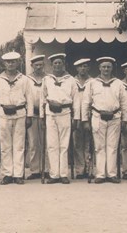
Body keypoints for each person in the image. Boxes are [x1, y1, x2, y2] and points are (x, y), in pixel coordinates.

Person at [82, 57, 127, 184]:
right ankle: (101, 174)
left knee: (112, 146)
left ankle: (112, 174)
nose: (106, 69)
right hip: (98, 117)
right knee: (99, 146)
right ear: (99, 68)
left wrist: (125, 119)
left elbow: (124, 103)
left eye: (108, 66)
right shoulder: (92, 83)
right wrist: (85, 120)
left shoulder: (118, 83)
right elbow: (86, 102)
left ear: (112, 68)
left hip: (115, 117)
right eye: (104, 67)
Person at [0, 52, 34, 185]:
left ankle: (18, 174)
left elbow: (30, 98)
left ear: (18, 63)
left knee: (19, 144)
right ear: (4, 64)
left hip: (20, 113)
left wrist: (30, 116)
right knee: (5, 145)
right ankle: (8, 173)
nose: (11, 64)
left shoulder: (24, 79)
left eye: (13, 61)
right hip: (3, 114)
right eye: (8, 62)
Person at [41, 53, 78, 184]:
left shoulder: (71, 80)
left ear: (64, 64)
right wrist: (42, 116)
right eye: (55, 63)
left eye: (60, 63)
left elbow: (76, 100)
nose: (57, 65)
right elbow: (42, 98)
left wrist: (76, 117)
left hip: (65, 113)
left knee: (64, 145)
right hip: (51, 114)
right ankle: (54, 174)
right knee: (52, 145)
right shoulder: (47, 79)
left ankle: (63, 174)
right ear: (51, 65)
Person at [25, 55, 46, 180]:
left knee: (46, 142)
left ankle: (47, 168)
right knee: (33, 142)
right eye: (36, 65)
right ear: (32, 66)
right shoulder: (27, 79)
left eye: (41, 65)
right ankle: (35, 169)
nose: (39, 67)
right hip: (32, 114)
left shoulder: (48, 78)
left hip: (45, 114)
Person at [72, 58, 92, 179]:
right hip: (75, 116)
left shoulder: (93, 81)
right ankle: (80, 169)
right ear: (77, 68)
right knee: (77, 143)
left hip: (89, 116)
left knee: (89, 143)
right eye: (80, 66)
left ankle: (89, 168)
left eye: (85, 66)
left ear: (88, 68)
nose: (83, 69)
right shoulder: (71, 81)